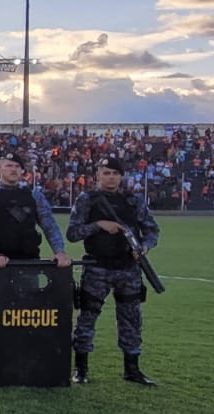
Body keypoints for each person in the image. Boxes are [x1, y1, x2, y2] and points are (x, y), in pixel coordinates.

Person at [0, 152, 70, 378]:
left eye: (17, 166)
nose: (13, 170)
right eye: (8, 166)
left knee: (27, 311)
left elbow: (49, 225)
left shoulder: (34, 195)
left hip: (29, 263)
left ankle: (24, 355)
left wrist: (59, 252)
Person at [68, 158, 161, 386]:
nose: (111, 177)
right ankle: (81, 369)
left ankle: (132, 369)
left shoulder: (132, 200)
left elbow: (151, 230)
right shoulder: (87, 200)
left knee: (131, 319)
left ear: (121, 176)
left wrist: (145, 247)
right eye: (106, 172)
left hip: (128, 268)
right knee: (87, 318)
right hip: (97, 267)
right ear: (98, 175)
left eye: (115, 173)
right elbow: (73, 233)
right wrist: (99, 225)